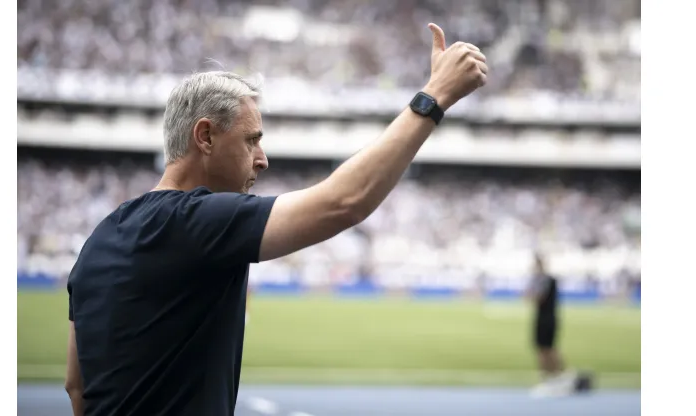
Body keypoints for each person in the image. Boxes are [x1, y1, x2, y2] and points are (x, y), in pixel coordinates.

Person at [64, 23, 488, 416]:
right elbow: (345, 202)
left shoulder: (99, 239)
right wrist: (434, 97)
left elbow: (76, 387)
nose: (263, 160)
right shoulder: (196, 221)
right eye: (252, 141)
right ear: (205, 136)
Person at [526, 253, 574, 396]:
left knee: (545, 350)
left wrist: (531, 294)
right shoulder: (546, 280)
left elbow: (535, 298)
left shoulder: (544, 280)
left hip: (545, 319)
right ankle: (559, 378)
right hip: (548, 318)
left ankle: (552, 379)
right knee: (547, 349)